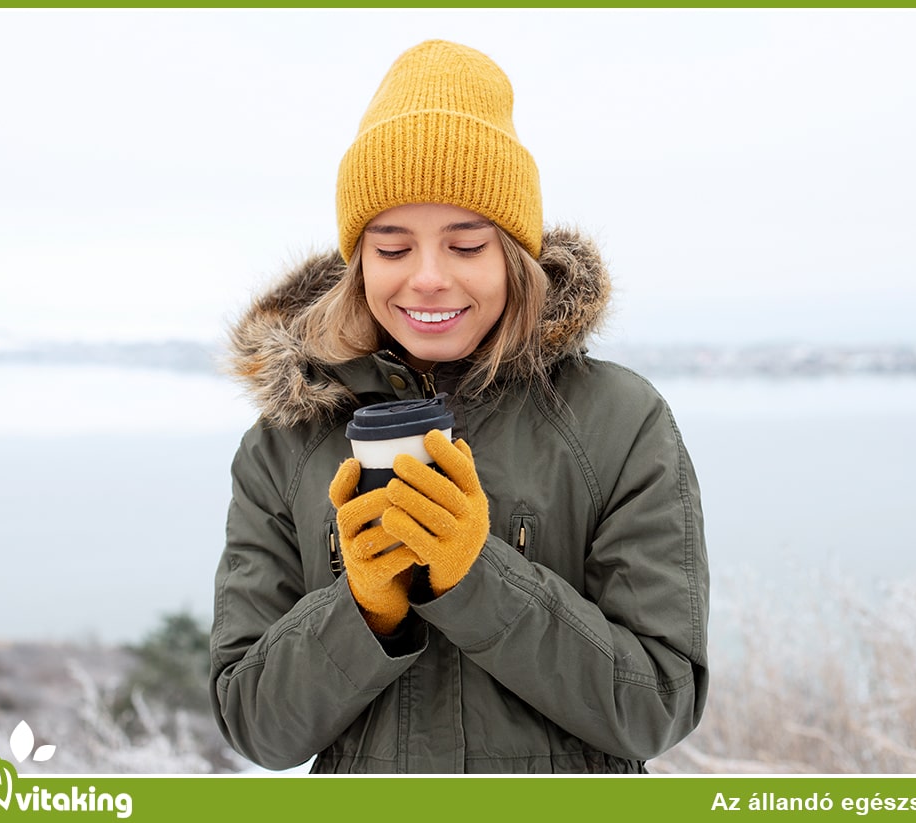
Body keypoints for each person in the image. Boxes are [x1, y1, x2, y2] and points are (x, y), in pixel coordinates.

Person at [209, 39, 709, 774]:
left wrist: (477, 575)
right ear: (358, 263)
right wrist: (363, 610)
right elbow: (256, 726)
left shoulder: (618, 423)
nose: (429, 278)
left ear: (514, 255)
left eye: (467, 244)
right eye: (392, 247)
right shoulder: (286, 443)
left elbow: (657, 704)